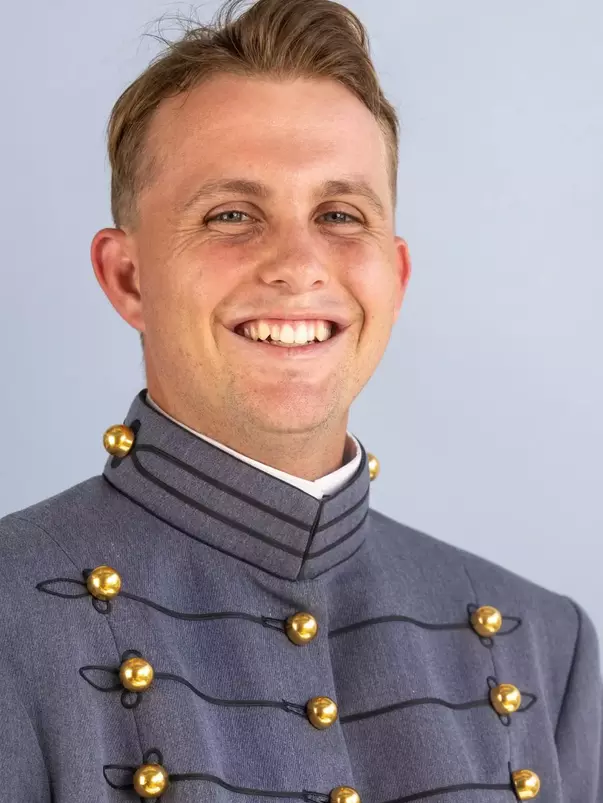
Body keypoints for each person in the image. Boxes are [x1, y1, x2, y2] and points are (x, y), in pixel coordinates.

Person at [1, 0, 600, 800]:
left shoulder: (543, 643)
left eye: (339, 215)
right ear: (128, 278)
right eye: (230, 214)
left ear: (395, 277)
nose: (298, 263)